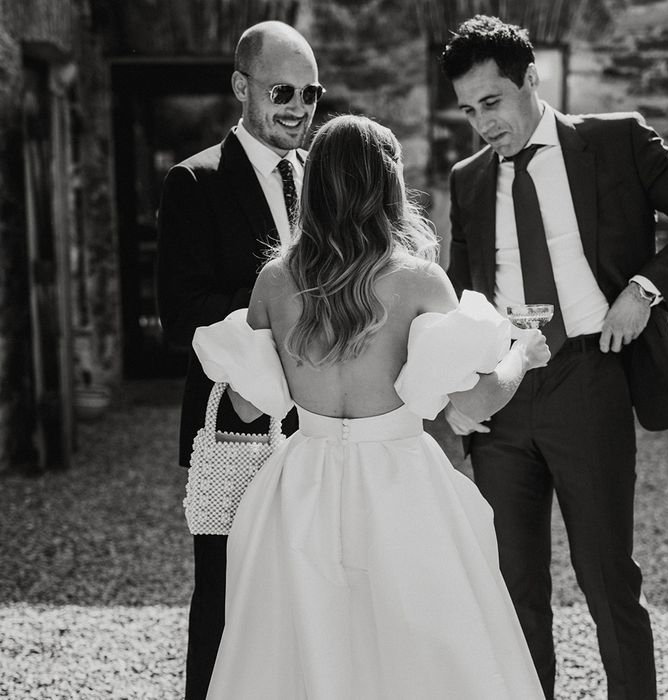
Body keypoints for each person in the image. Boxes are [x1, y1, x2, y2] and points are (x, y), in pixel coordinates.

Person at [191, 114, 550, 699]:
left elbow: (250, 408)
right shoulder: (418, 280)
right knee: (418, 649)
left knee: (304, 644)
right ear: (387, 184)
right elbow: (475, 400)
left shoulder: (275, 283)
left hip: (300, 485)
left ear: (315, 184)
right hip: (400, 481)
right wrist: (521, 354)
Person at [439, 15, 668, 700]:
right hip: (506, 395)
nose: (481, 123)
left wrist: (645, 288)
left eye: (492, 102)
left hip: (589, 378)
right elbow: (464, 297)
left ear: (532, 80)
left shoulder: (617, 141)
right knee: (513, 588)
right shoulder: (468, 179)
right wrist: (462, 390)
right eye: (467, 110)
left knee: (608, 580)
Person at [155, 21, 324, 700]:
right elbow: (181, 314)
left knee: (311, 594)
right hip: (235, 428)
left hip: (320, 424)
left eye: (311, 93)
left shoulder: (322, 180)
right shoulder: (194, 182)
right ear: (241, 87)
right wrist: (291, 306)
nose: (298, 106)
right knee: (225, 602)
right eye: (283, 89)